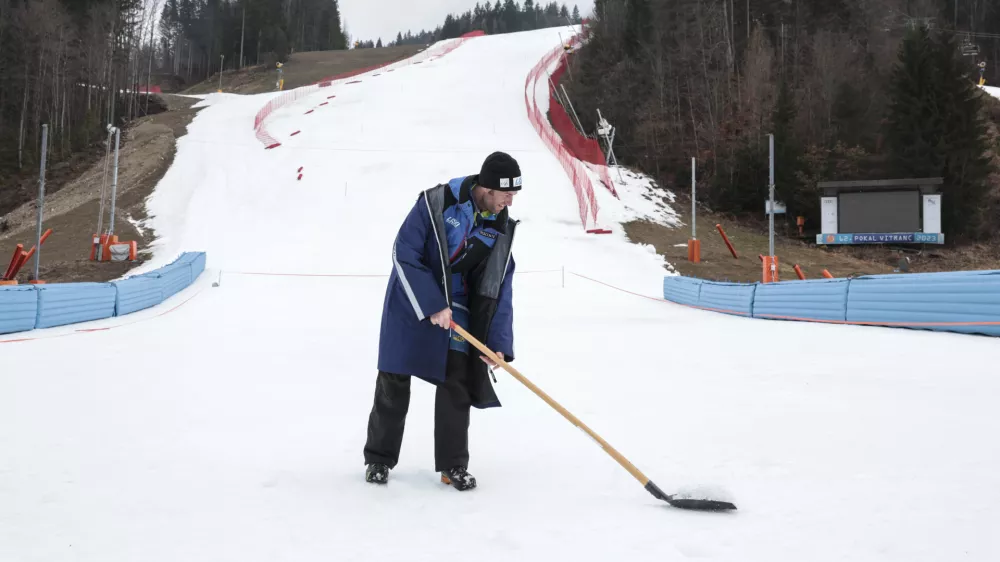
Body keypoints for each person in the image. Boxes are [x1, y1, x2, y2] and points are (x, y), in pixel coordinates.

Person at [363, 151, 521, 491]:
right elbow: (404, 252)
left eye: (514, 194)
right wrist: (432, 303)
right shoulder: (437, 202)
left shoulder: (500, 227)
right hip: (411, 301)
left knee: (457, 382)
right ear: (487, 188)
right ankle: (378, 458)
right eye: (506, 193)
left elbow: (499, 287)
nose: (510, 200)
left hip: (459, 310)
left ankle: (453, 466)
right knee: (394, 378)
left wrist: (498, 345)